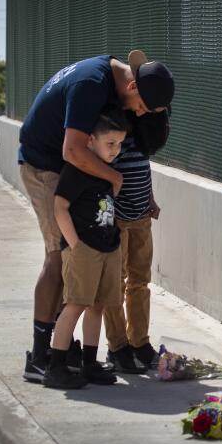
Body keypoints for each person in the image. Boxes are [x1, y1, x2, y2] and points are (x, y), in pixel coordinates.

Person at [20, 50, 174, 382]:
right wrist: (114, 178)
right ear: (132, 86)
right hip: (45, 167)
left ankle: (67, 352)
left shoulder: (112, 84)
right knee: (59, 258)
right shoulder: (92, 84)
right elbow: (72, 150)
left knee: (76, 269)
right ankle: (41, 356)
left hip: (67, 167)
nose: (138, 114)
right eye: (141, 107)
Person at [44, 109, 129, 389]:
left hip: (108, 247)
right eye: (110, 144)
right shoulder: (76, 170)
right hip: (84, 250)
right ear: (90, 140)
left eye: (119, 144)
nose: (115, 151)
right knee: (76, 303)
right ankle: (56, 366)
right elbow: (60, 207)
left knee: (98, 305)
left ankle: (90, 363)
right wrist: (76, 245)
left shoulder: (107, 171)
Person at [104, 110, 171, 373]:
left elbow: (145, 169)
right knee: (115, 284)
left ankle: (139, 342)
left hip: (142, 216)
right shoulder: (113, 139)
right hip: (117, 220)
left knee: (140, 281)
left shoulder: (144, 138)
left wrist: (151, 200)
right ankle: (117, 347)